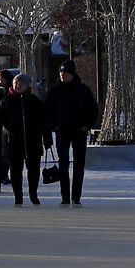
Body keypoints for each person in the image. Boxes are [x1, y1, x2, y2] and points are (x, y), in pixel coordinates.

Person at [0, 73, 53, 206]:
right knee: (15, 171)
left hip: (33, 142)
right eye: (15, 83)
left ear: (27, 85)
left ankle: (33, 194)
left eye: (21, 83)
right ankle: (18, 197)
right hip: (13, 142)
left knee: (34, 171)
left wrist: (47, 139)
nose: (17, 85)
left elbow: (44, 122)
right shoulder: (5, 101)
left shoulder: (35, 101)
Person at [44, 60, 99, 206]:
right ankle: (65, 196)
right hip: (62, 131)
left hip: (79, 131)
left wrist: (87, 125)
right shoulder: (54, 90)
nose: (63, 75)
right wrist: (54, 126)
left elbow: (93, 109)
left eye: (66, 72)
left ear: (72, 73)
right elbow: (47, 110)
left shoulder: (83, 90)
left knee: (79, 164)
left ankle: (76, 196)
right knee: (63, 164)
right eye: (61, 72)